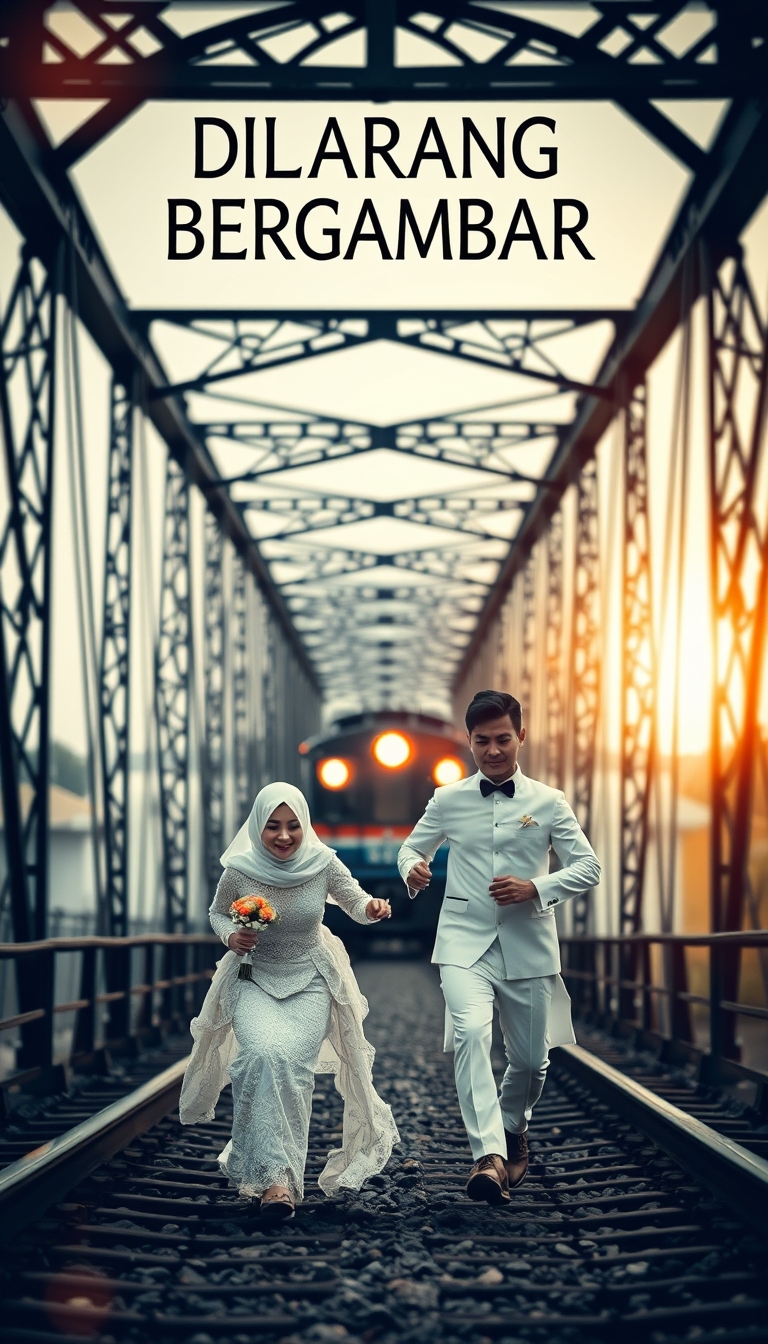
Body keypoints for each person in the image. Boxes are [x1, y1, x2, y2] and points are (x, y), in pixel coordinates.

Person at [397, 690, 600, 1206]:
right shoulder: (447, 799)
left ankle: (512, 1127)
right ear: (469, 742)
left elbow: (589, 867)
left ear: (521, 737)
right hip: (463, 943)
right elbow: (411, 848)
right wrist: (412, 869)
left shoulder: (549, 802)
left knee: (531, 1062)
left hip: (528, 943)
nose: (493, 750)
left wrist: (537, 887)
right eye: (482, 741)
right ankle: (487, 1155)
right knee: (469, 1035)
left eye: (502, 739)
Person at [179, 781, 399, 1219]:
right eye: (273, 827)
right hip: (252, 977)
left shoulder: (322, 863)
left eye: (293, 826)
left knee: (291, 1068)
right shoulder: (240, 869)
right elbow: (217, 913)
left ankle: (281, 1180)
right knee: (260, 1056)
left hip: (311, 980)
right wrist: (231, 935)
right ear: (258, 827)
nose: (283, 836)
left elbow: (354, 901)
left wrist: (373, 907)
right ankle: (272, 1177)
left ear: (305, 825)